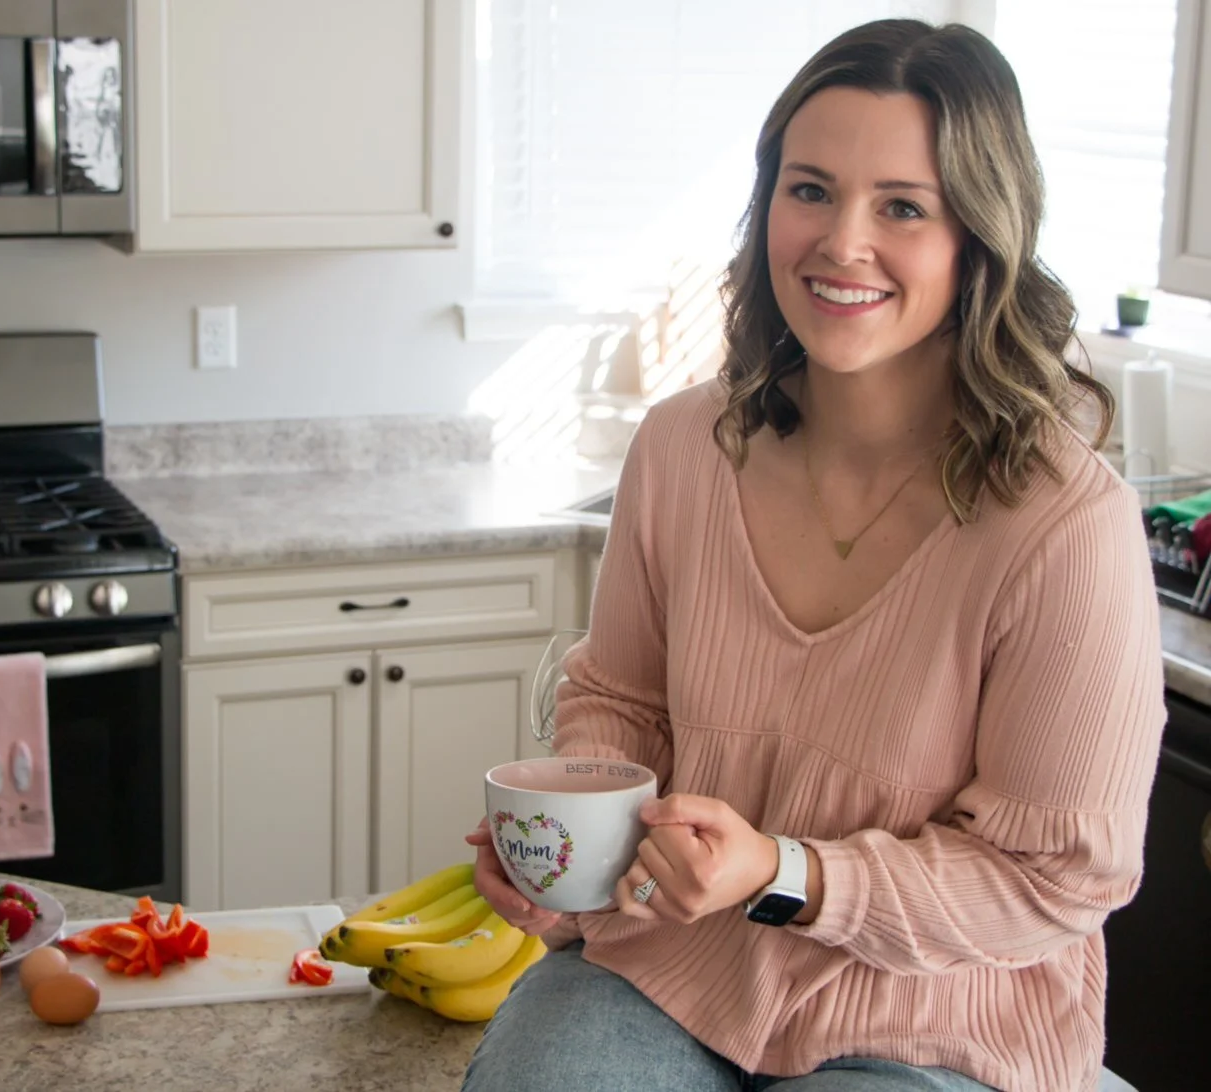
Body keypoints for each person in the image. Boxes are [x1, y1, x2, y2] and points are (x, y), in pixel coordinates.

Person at [462, 18, 1164, 1092]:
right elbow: (622, 702)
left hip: (932, 1015)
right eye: (810, 190)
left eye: (902, 207)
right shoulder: (685, 447)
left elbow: (1054, 877)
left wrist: (781, 874)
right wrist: (579, 852)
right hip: (675, 963)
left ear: (979, 236)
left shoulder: (1065, 526)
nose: (841, 242)